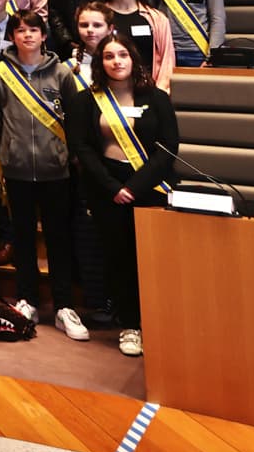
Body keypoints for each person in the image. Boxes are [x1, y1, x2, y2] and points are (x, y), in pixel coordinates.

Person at [68, 34, 178, 358]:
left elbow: (168, 147)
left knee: (153, 259)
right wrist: (113, 187)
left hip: (151, 185)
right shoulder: (85, 101)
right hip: (108, 189)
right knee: (120, 258)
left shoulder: (156, 98)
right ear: (100, 63)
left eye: (122, 55)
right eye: (109, 56)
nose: (116, 61)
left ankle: (160, 322)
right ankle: (131, 324)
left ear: (133, 59)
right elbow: (82, 149)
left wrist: (136, 186)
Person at [0, 10, 88, 339]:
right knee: (23, 237)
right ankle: (27, 298)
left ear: (44, 35)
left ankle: (63, 306)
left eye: (33, 30)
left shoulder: (61, 73)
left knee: (59, 238)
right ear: (12, 36)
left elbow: (74, 121)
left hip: (56, 171)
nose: (27, 35)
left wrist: (66, 156)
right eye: (20, 30)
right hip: (16, 170)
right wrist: (7, 154)